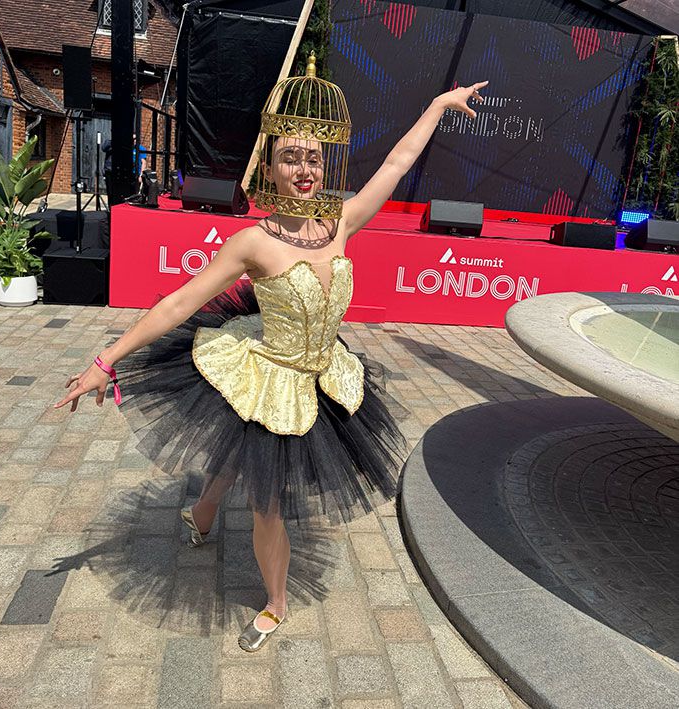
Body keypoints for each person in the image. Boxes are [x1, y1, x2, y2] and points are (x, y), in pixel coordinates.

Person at [54, 53, 487, 652]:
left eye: (313, 157)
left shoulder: (341, 221)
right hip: (271, 375)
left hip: (323, 373)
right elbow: (179, 304)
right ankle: (276, 604)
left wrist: (438, 106)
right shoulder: (252, 242)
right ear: (271, 167)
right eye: (290, 158)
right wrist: (107, 360)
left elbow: (397, 162)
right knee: (269, 500)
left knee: (244, 457)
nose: (304, 170)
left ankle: (202, 514)